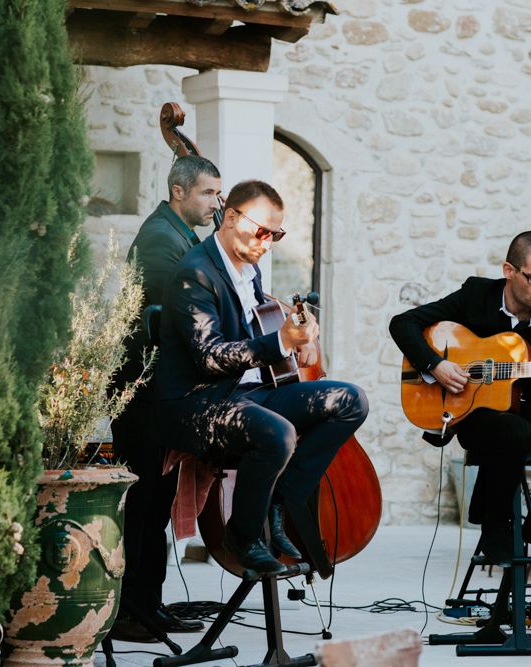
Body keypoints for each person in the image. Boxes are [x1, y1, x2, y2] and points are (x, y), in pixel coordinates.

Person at [154, 179, 369, 576]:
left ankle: (277, 502)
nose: (268, 242)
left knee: (351, 400)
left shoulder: (248, 269)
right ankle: (244, 534)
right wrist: (281, 342)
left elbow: (261, 321)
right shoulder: (194, 275)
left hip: (248, 394)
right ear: (232, 217)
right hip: (199, 403)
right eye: (262, 231)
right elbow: (210, 358)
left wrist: (302, 334)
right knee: (278, 433)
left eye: (277, 234)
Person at [111, 155, 221, 641]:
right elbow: (175, 320)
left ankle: (149, 605)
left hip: (159, 396)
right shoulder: (160, 241)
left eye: (218, 194)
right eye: (207, 193)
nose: (216, 203)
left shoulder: (177, 236)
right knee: (144, 509)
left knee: (153, 509)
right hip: (145, 398)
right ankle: (133, 612)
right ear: (179, 191)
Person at [389, 231, 531, 567]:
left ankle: (512, 527)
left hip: (523, 410)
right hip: (471, 415)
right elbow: (402, 324)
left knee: (520, 430)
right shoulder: (475, 295)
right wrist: (435, 365)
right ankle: (497, 527)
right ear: (509, 270)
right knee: (516, 433)